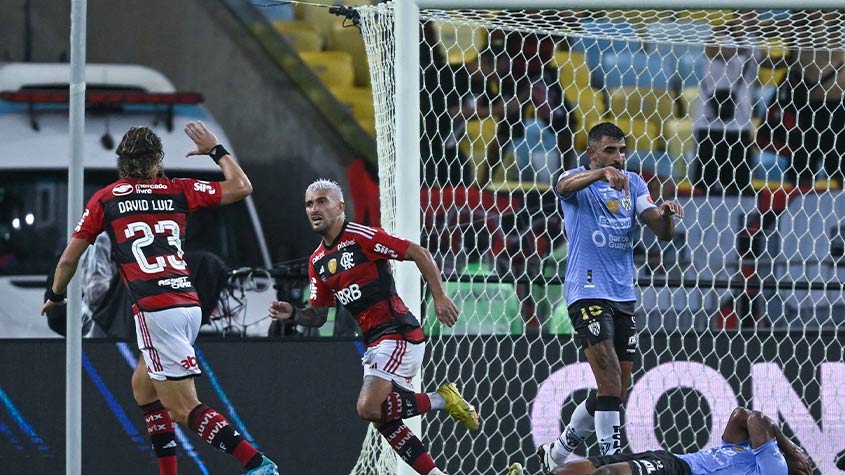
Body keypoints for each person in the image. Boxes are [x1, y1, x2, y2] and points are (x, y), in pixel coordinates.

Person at [40, 123, 278, 475]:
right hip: (188, 304)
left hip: (155, 311)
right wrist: (216, 151)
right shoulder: (178, 190)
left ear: (122, 162)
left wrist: (55, 296)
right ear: (157, 161)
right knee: (144, 388)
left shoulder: (107, 199)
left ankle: (256, 464)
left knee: (183, 408)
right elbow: (242, 187)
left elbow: (68, 259)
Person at [268, 179, 479, 475]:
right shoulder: (317, 262)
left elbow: (418, 252)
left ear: (340, 207)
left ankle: (442, 399)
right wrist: (293, 314)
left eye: (322, 201)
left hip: (398, 332)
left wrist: (440, 296)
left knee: (367, 407)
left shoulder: (361, 238)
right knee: (383, 419)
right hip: (376, 343)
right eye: (309, 203)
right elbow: (318, 317)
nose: (314, 208)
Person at [538, 123, 684, 470]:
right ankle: (614, 461)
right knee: (611, 380)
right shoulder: (578, 180)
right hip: (586, 292)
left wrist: (665, 215)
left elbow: (661, 232)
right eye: (609, 151)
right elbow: (562, 186)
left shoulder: (634, 183)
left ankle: (556, 453)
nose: (618, 158)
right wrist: (600, 174)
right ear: (592, 154)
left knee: (615, 390)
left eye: (622, 151)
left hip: (622, 295)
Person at [537, 407, 814, 475]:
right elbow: (741, 415)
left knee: (608, 473)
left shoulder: (774, 468)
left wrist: (788, 448)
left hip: (680, 470)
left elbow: (759, 421)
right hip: (668, 459)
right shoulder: (750, 455)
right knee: (568, 471)